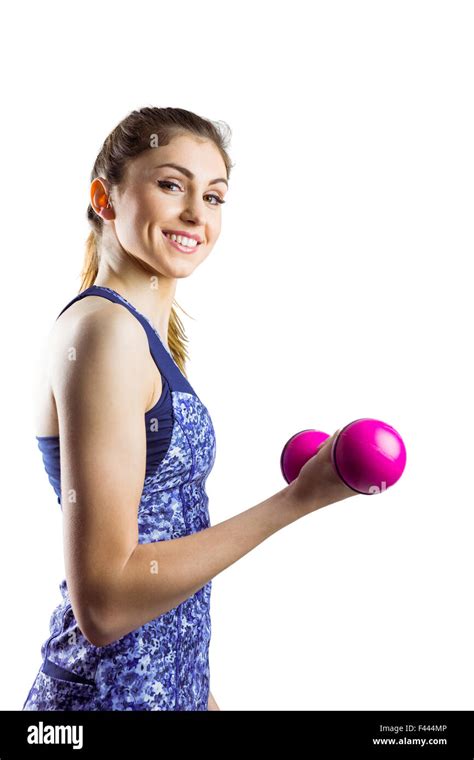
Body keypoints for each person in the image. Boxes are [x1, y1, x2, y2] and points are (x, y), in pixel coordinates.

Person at [22, 106, 357, 712]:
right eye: (171, 184)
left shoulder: (142, 337)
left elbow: (167, 541)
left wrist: (199, 695)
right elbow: (104, 605)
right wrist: (298, 500)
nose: (197, 214)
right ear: (105, 197)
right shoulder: (104, 333)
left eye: (216, 196)